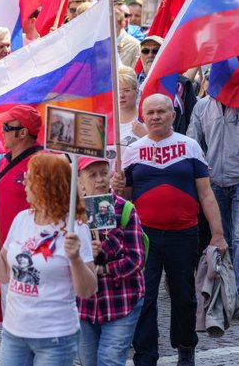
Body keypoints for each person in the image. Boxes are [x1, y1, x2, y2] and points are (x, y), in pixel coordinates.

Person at [110, 94, 227, 366]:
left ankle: (185, 347)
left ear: (172, 115)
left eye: (161, 112)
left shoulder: (190, 146)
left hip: (183, 235)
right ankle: (145, 355)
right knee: (145, 296)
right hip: (144, 237)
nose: (155, 117)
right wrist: (118, 186)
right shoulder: (133, 149)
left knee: (184, 297)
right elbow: (126, 196)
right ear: (144, 115)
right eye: (149, 112)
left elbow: (206, 194)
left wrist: (218, 234)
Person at [0, 154, 96, 363]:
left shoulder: (75, 229)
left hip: (55, 337)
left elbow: (87, 290)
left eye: (30, 177)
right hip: (14, 332)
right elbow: (3, 273)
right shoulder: (22, 219)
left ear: (48, 184)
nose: (24, 182)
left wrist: (75, 260)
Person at [187, 90, 239, 316]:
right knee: (222, 240)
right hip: (214, 183)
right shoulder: (202, 106)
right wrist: (201, 165)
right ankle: (225, 295)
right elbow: (193, 140)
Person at [76, 157, 146, 366]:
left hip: (122, 300)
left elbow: (136, 260)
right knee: (89, 362)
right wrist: (84, 253)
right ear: (80, 180)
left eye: (103, 173)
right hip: (85, 306)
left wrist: (100, 267)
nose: (99, 180)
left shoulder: (125, 210)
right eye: (92, 175)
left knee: (109, 360)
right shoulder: (72, 214)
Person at [0, 105, 45, 247]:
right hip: (6, 252)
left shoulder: (43, 163)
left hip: (33, 251)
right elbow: (0, 206)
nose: (2, 131)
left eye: (7, 127)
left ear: (22, 133)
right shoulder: (3, 161)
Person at [117, 67, 148, 145]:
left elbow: (166, 145)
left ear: (137, 92)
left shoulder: (149, 116)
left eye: (127, 90)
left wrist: (147, 135)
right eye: (117, 90)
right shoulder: (106, 121)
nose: (121, 95)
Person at [115, 2, 140, 68]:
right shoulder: (99, 45)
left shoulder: (135, 46)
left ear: (122, 24)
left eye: (126, 15)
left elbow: (134, 76)